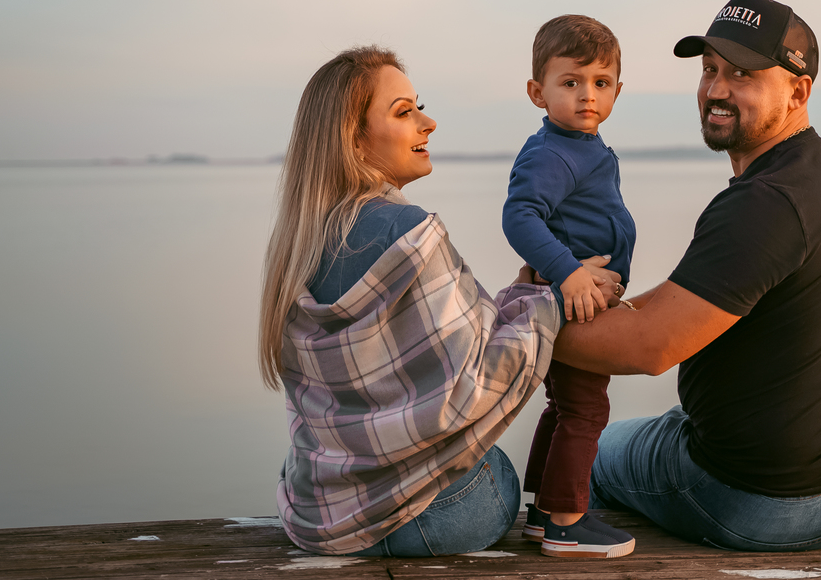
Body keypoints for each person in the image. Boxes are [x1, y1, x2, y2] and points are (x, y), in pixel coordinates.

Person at [552, 0, 821, 551]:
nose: (717, 90)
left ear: (798, 90)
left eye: (743, 74)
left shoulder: (763, 203)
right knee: (667, 423)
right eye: (710, 70)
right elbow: (682, 300)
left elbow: (649, 348)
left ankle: (566, 546)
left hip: (762, 503)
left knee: (584, 457)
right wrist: (597, 305)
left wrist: (512, 326)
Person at [257, 46, 620, 557]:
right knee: (496, 473)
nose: (428, 123)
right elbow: (473, 386)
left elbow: (431, 359)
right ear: (354, 142)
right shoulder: (410, 232)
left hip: (315, 511)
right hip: (425, 520)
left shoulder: (298, 242)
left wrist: (530, 291)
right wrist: (558, 300)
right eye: (404, 112)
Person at [502, 15, 637, 558]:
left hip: (578, 301)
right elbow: (520, 217)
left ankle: (541, 511)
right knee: (586, 411)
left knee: (564, 408)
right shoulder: (552, 152)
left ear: (617, 92)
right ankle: (567, 522)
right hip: (571, 303)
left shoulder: (585, 148)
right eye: (570, 82)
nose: (587, 96)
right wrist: (569, 271)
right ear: (539, 92)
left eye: (600, 83)